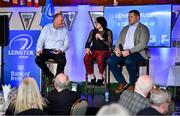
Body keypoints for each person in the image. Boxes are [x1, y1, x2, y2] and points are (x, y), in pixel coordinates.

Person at [107, 10, 150, 93]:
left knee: (129, 61)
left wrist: (129, 51)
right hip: (124, 52)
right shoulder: (125, 28)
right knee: (110, 60)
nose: (129, 19)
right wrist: (117, 49)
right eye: (128, 17)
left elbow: (143, 44)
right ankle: (122, 82)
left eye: (131, 17)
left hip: (138, 52)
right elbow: (118, 41)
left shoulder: (144, 28)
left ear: (137, 18)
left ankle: (132, 84)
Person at [35, 13, 70, 82]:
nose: (63, 22)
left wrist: (61, 50)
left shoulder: (65, 30)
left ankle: (57, 78)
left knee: (63, 61)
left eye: (62, 20)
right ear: (55, 20)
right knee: (38, 60)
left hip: (59, 51)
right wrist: (39, 50)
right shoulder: (46, 28)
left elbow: (67, 43)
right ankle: (50, 76)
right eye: (61, 20)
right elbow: (40, 40)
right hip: (47, 50)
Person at [84, 17, 112, 86]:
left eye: (97, 22)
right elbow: (88, 42)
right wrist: (87, 48)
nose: (96, 24)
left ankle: (100, 77)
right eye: (95, 22)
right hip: (94, 50)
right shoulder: (93, 31)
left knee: (100, 57)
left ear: (102, 23)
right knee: (86, 58)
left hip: (105, 51)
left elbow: (109, 44)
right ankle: (92, 77)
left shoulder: (108, 31)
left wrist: (101, 38)